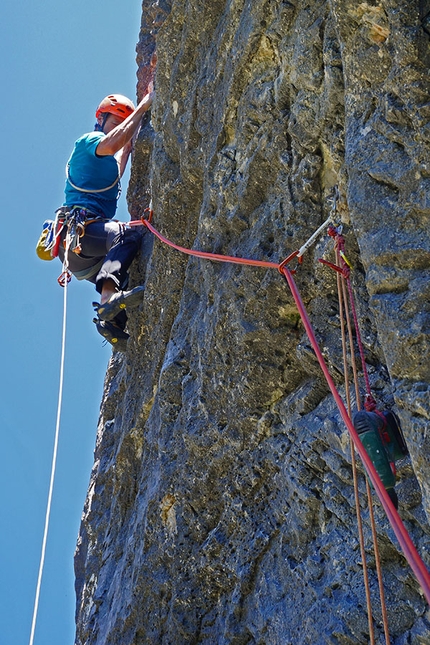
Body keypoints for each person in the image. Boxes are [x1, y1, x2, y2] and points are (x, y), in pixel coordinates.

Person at [56, 86, 154, 351]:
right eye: (114, 121)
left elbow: (121, 154)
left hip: (84, 256)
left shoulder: (106, 164)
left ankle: (112, 324)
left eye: (121, 123)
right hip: (81, 232)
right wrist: (145, 104)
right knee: (126, 235)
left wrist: (135, 128)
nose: (117, 127)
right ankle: (108, 298)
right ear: (100, 120)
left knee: (126, 278)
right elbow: (113, 143)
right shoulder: (88, 141)